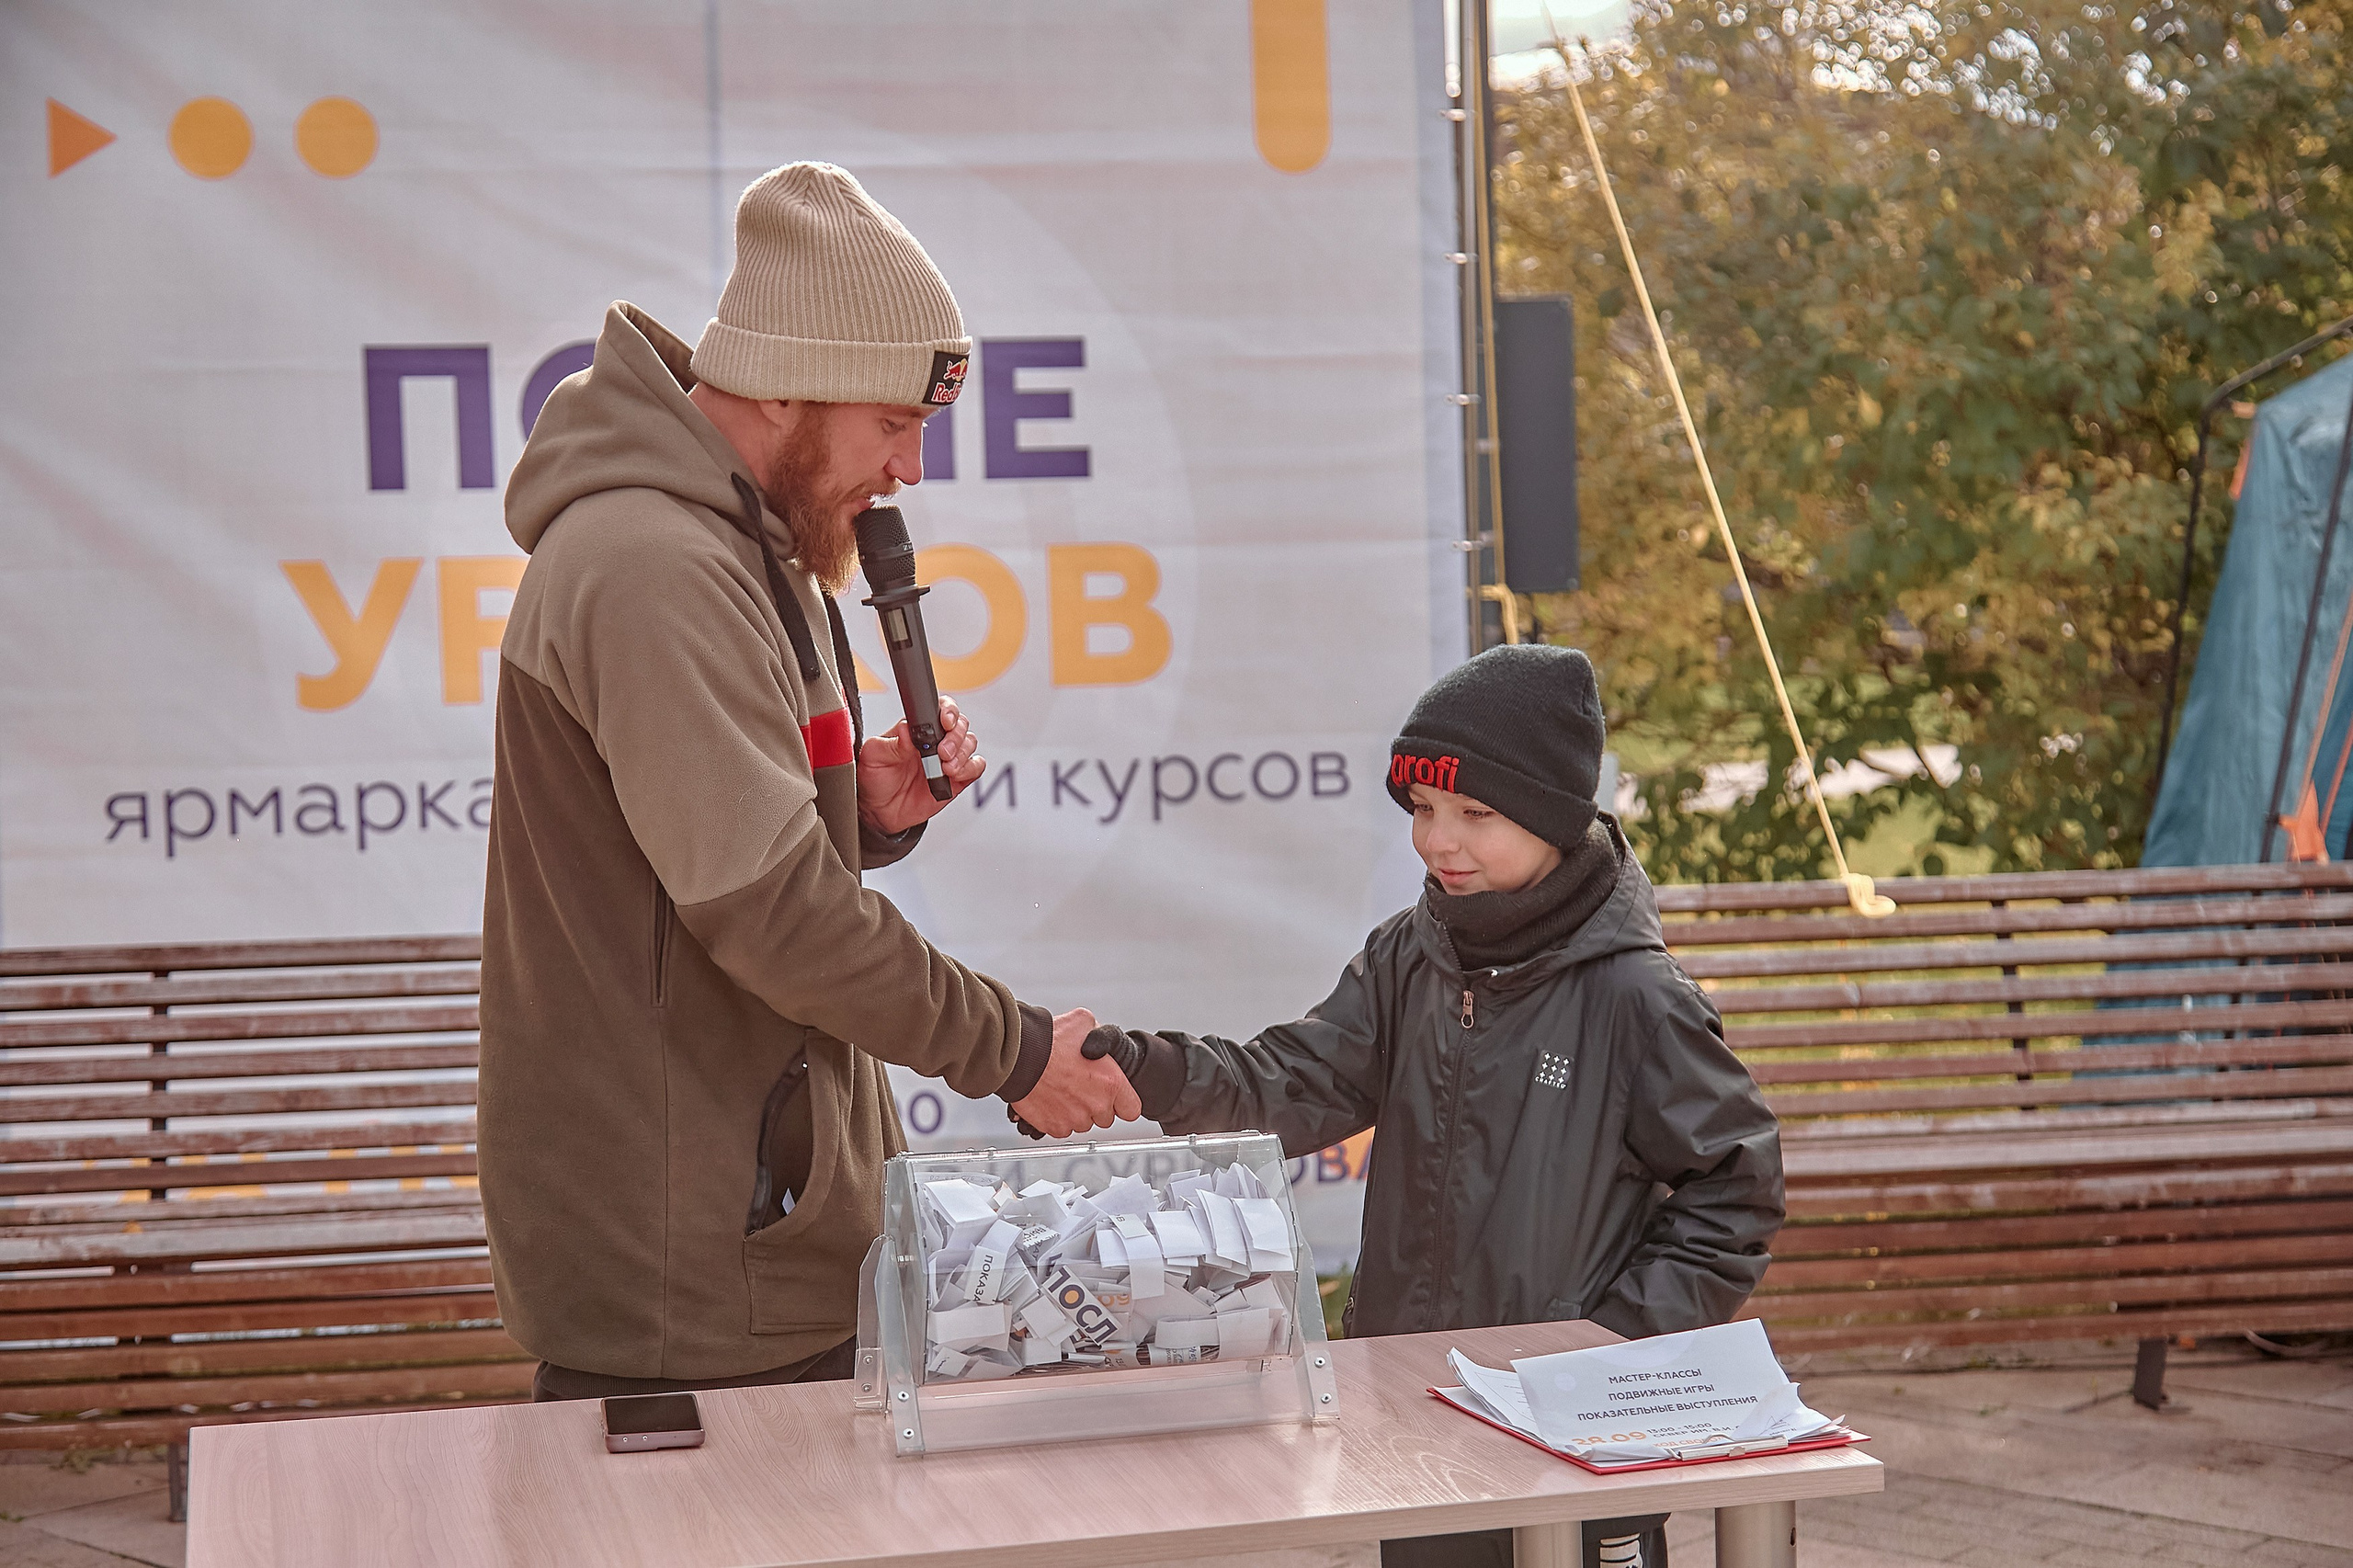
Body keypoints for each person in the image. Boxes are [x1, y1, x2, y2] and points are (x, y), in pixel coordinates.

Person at [477, 163, 1138, 1403]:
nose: (911, 469)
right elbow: (769, 907)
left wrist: (864, 810)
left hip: (739, 1223)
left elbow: (710, 852)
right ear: (786, 384)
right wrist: (1011, 1052)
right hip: (686, 1262)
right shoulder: (655, 565)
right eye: (895, 424)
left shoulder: (741, 544)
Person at [1084, 644, 1785, 1568]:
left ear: (1554, 817)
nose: (1436, 839)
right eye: (1420, 809)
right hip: (1414, 1409)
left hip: (1570, 1437)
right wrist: (1149, 1070)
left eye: (1474, 813)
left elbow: (1732, 1192)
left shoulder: (1636, 998)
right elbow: (1292, 1077)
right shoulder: (1407, 958)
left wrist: (1609, 1351)